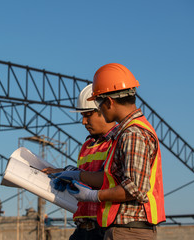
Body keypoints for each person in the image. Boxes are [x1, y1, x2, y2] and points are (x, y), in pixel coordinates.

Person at [62, 63, 166, 240]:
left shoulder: (133, 134)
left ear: (108, 102)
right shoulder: (126, 133)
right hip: (123, 229)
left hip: (128, 230)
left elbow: (134, 189)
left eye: (99, 104)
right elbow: (114, 179)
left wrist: (92, 195)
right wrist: (77, 175)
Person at [42, 84, 116, 240]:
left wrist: (74, 175)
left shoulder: (118, 142)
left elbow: (108, 178)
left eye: (88, 115)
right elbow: (87, 174)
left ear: (104, 110)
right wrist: (64, 173)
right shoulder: (87, 145)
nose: (83, 121)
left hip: (103, 228)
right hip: (83, 227)